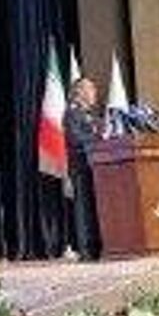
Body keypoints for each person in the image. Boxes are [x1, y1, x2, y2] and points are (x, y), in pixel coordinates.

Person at [64, 76, 104, 259]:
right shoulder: (72, 113)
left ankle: (97, 245)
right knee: (84, 208)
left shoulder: (92, 115)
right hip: (81, 166)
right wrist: (98, 139)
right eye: (90, 89)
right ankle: (86, 249)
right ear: (79, 92)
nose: (94, 93)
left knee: (93, 207)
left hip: (95, 166)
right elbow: (75, 139)